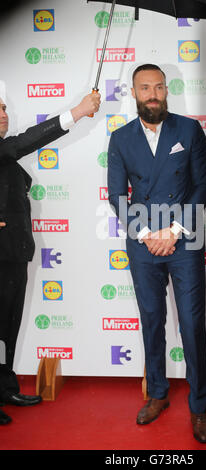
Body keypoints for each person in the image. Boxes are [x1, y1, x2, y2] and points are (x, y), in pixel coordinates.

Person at [108, 64, 206, 443]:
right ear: (133, 93)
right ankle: (157, 394)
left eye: (158, 87)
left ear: (167, 90)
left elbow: (204, 187)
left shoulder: (188, 129)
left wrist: (174, 231)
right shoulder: (120, 138)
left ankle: (199, 407)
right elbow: (117, 197)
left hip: (184, 241)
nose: (152, 94)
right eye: (144, 88)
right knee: (152, 323)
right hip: (144, 245)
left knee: (191, 325)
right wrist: (147, 234)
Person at [0, 89, 101, 425]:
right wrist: (77, 111)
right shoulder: (6, 149)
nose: (3, 114)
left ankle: (4, 387)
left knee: (7, 327)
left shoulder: (5, 157)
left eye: (3, 107)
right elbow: (26, 141)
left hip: (14, 253)